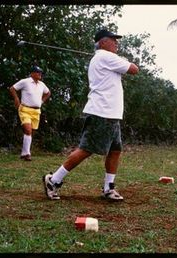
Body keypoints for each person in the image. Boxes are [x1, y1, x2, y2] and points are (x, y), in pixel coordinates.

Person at [43, 29, 139, 201]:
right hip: (102, 112)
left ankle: (108, 188)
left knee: (115, 150)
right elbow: (134, 69)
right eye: (113, 40)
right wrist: (123, 60)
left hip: (110, 114)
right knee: (86, 149)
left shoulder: (103, 57)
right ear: (102, 43)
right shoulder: (106, 57)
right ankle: (54, 180)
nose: (116, 43)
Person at [9, 65, 51, 161]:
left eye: (40, 72)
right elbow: (12, 88)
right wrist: (16, 99)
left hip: (36, 111)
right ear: (32, 73)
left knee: (31, 132)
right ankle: (27, 154)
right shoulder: (25, 81)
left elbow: (48, 93)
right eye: (37, 72)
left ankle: (24, 153)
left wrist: (42, 101)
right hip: (25, 109)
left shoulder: (41, 84)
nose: (40, 74)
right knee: (28, 130)